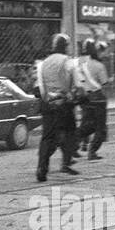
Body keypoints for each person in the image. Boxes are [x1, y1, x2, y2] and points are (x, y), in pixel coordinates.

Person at [35, 33, 79, 182]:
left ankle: (42, 167)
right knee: (70, 132)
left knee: (47, 137)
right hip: (64, 104)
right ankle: (66, 163)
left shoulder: (42, 63)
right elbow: (76, 84)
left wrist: (47, 98)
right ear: (65, 46)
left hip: (48, 104)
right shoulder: (68, 62)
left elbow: (41, 87)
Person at [73, 38, 111, 161]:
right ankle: (92, 151)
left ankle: (74, 141)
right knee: (100, 127)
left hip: (83, 98)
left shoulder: (77, 63)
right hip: (98, 98)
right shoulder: (98, 65)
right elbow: (104, 83)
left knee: (86, 123)